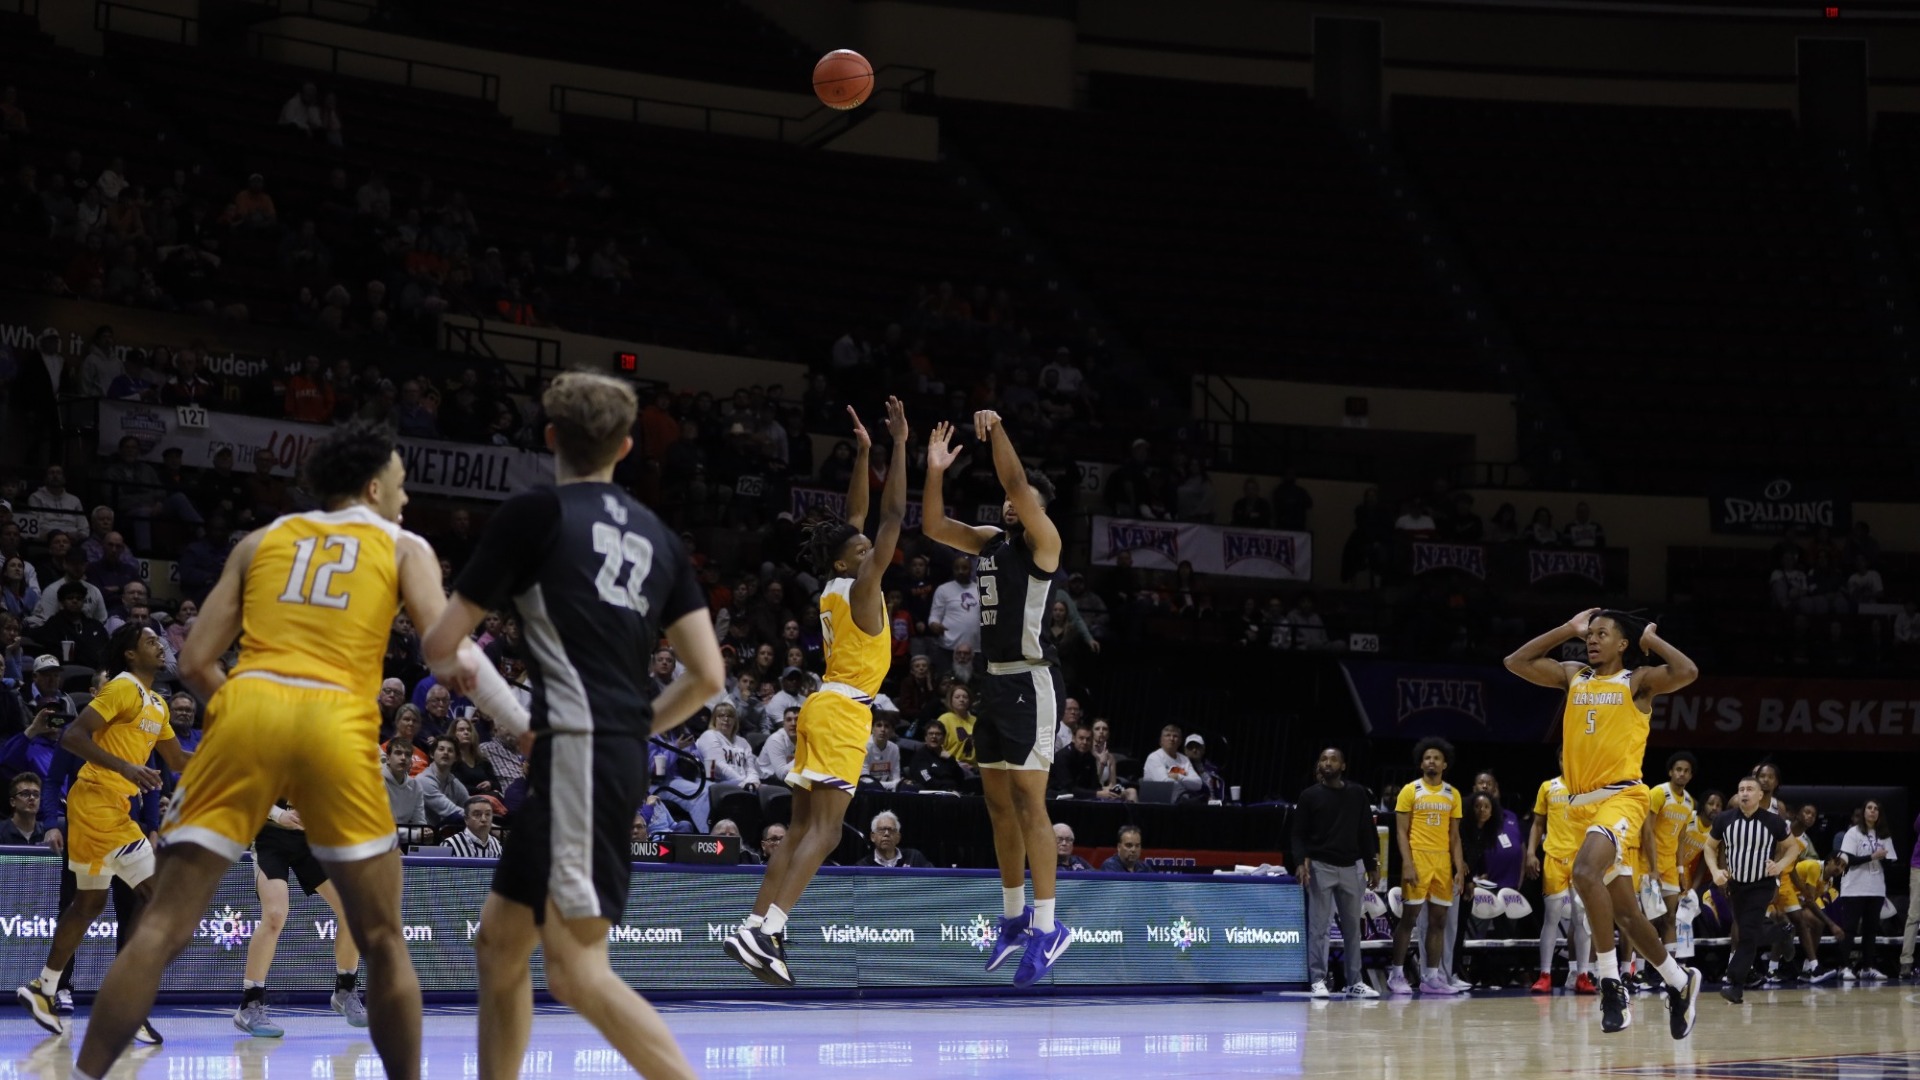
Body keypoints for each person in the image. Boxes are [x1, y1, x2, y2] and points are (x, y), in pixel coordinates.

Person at [71, 422, 496, 1080]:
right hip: (335, 720)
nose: (407, 501)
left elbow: (196, 660)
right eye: (404, 486)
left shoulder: (260, 541)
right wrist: (516, 713)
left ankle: (80, 1076)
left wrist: (253, 715)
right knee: (383, 939)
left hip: (249, 706)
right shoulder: (403, 544)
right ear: (374, 487)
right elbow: (443, 653)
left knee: (159, 928)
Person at [421, 373, 722, 1080]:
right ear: (624, 446)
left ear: (550, 438)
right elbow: (707, 676)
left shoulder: (536, 513)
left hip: (582, 755)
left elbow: (442, 647)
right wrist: (632, 723)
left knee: (577, 971)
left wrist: (520, 708)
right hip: (597, 752)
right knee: (500, 944)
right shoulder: (658, 536)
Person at [722, 401, 908, 989]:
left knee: (802, 831)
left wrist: (864, 453)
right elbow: (892, 517)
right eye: (860, 550)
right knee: (826, 834)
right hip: (844, 710)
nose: (867, 549)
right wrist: (900, 447)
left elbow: (855, 518)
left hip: (822, 708)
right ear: (849, 560)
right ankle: (768, 928)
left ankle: (755, 925)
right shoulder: (861, 582)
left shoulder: (834, 580)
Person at [919, 411, 1072, 987]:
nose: (1011, 504)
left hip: (1032, 683)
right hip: (992, 683)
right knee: (998, 805)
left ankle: (1049, 927)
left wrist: (1001, 429)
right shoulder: (987, 542)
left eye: (1022, 499)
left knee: (1033, 807)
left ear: (1036, 508)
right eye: (1010, 500)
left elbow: (1013, 483)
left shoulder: (1045, 544)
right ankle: (1014, 919)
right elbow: (933, 524)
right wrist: (933, 470)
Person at [1504, 607, 1703, 1038]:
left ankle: (1610, 983)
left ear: (1623, 644)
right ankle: (1678, 981)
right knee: (1628, 916)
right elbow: (1514, 663)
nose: (1591, 640)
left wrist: (1652, 641)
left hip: (1621, 797)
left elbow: (1687, 670)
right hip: (1578, 807)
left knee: (1583, 872)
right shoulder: (1573, 675)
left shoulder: (1637, 682)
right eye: (1589, 634)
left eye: (1601, 634)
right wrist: (1565, 629)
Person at [15, 625, 186, 1042]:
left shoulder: (158, 704)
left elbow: (178, 759)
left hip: (111, 807)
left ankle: (44, 988)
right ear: (129, 654)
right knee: (157, 896)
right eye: (149, 641)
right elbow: (73, 737)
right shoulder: (122, 688)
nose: (159, 646)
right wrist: (126, 768)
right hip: (96, 802)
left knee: (89, 903)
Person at [232, 802, 369, 1037]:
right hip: (269, 837)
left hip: (313, 839)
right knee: (274, 915)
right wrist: (278, 814)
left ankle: (345, 989)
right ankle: (249, 1005)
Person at [1291, 746, 1382, 998]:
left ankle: (1355, 981)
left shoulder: (1357, 794)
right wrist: (1300, 861)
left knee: (1353, 928)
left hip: (1352, 868)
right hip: (1321, 867)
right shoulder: (1309, 796)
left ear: (1343, 766)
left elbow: (1367, 831)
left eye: (1333, 759)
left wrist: (1373, 866)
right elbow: (1298, 833)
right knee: (1319, 927)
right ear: (1319, 765)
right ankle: (1318, 979)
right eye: (1323, 759)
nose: (1327, 762)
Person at [1702, 777, 1797, 1004]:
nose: (1745, 793)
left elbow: (1792, 847)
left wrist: (1780, 866)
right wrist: (1716, 871)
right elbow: (1709, 847)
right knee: (1747, 933)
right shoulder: (1724, 819)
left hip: (1761, 885)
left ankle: (1735, 984)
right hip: (1736, 885)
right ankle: (1782, 932)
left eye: (1750, 789)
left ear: (1760, 795)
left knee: (1747, 934)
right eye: (1741, 789)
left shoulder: (1773, 821)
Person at [1386, 737, 1466, 996]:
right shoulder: (1410, 790)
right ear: (1421, 763)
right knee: (1409, 918)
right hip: (1418, 858)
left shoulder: (1452, 794)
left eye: (1436, 758)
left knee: (1439, 921)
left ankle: (1431, 977)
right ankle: (1396, 974)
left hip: (1442, 861)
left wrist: (1458, 869)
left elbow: (1454, 837)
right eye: (1427, 757)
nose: (1431, 761)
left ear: (1445, 764)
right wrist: (1407, 864)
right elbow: (1400, 832)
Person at [1525, 749, 1595, 995]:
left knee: (1582, 920)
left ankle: (1583, 975)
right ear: (1559, 761)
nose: (1569, 761)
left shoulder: (1590, 788)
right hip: (1554, 858)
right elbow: (1537, 824)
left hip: (1580, 860)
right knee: (1552, 918)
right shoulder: (1548, 787)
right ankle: (1545, 975)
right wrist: (1531, 853)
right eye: (1564, 758)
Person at [1834, 800, 1893, 981]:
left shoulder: (1883, 834)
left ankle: (1867, 967)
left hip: (1875, 888)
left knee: (1870, 930)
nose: (1873, 812)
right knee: (1849, 929)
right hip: (1854, 888)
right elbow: (1848, 860)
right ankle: (1843, 966)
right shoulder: (1853, 833)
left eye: (1876, 809)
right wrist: (1872, 856)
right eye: (1869, 808)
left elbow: (1890, 859)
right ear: (1863, 811)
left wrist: (1885, 859)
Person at [1647, 752, 1698, 949]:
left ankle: (1672, 972)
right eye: (1678, 769)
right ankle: (1639, 969)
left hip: (1670, 866)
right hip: (1649, 863)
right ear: (1670, 772)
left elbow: (1681, 838)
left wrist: (1680, 870)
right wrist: (1652, 867)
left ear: (1691, 776)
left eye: (1686, 771)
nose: (1682, 774)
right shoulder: (1659, 793)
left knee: (1669, 918)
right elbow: (1647, 832)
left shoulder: (1689, 801)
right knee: (1648, 918)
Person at [865, 811, 932, 868]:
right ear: (872, 837)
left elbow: (935, 880)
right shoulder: (864, 865)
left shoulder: (914, 857)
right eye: (882, 830)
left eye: (891, 830)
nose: (886, 834)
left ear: (898, 837)